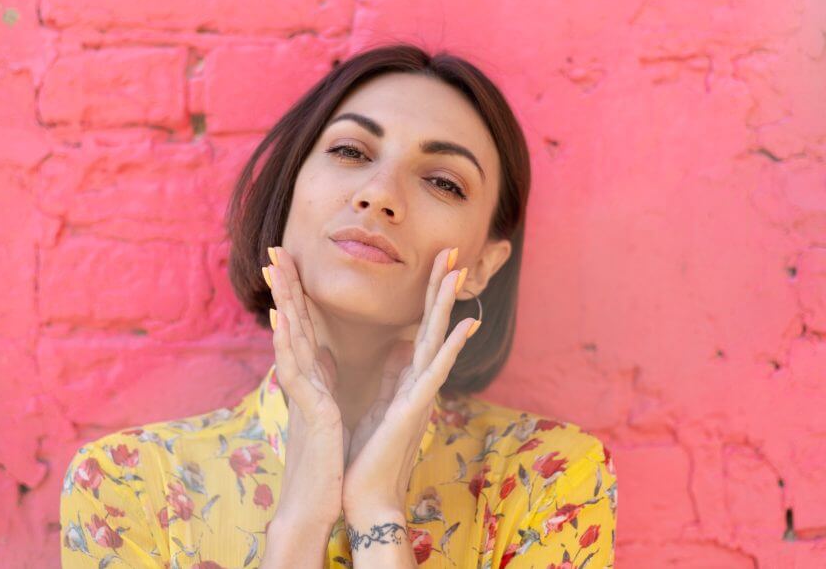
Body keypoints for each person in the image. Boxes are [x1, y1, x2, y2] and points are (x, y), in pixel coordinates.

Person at [60, 42, 617, 568]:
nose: (378, 194)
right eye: (351, 151)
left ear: (482, 268)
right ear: (288, 195)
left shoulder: (546, 480)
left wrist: (379, 514)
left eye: (444, 182)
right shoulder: (130, 485)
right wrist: (299, 524)